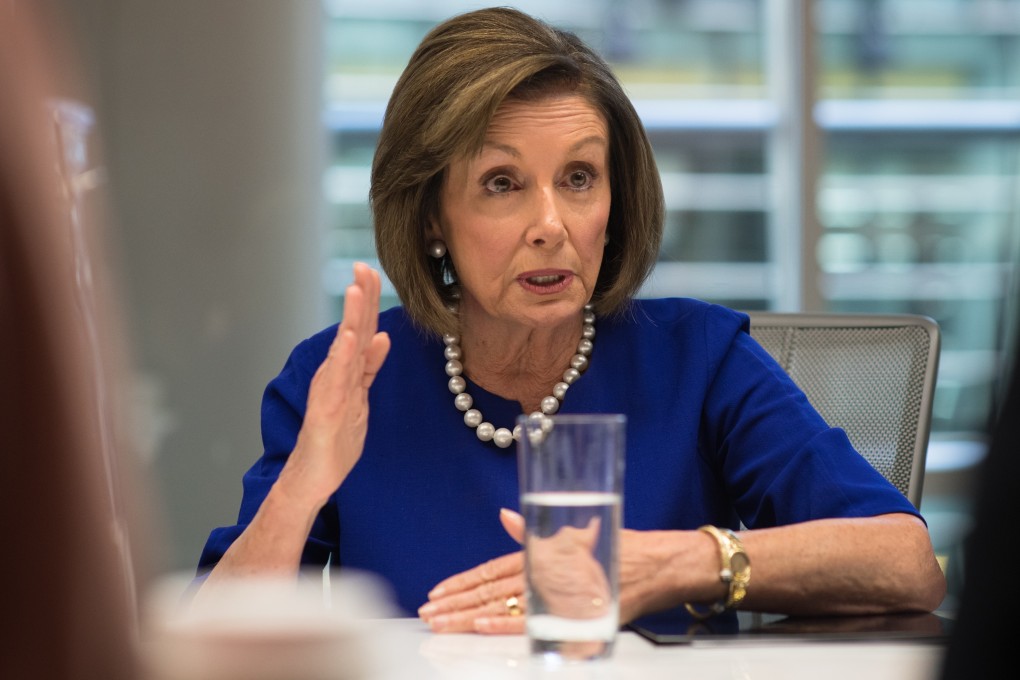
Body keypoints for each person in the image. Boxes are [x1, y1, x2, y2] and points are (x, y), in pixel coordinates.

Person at [197, 6, 946, 634]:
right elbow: (213, 638)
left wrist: (675, 564)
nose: (551, 225)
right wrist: (304, 484)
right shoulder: (347, 377)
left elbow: (907, 564)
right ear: (430, 216)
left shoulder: (699, 359)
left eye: (579, 178)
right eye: (502, 183)